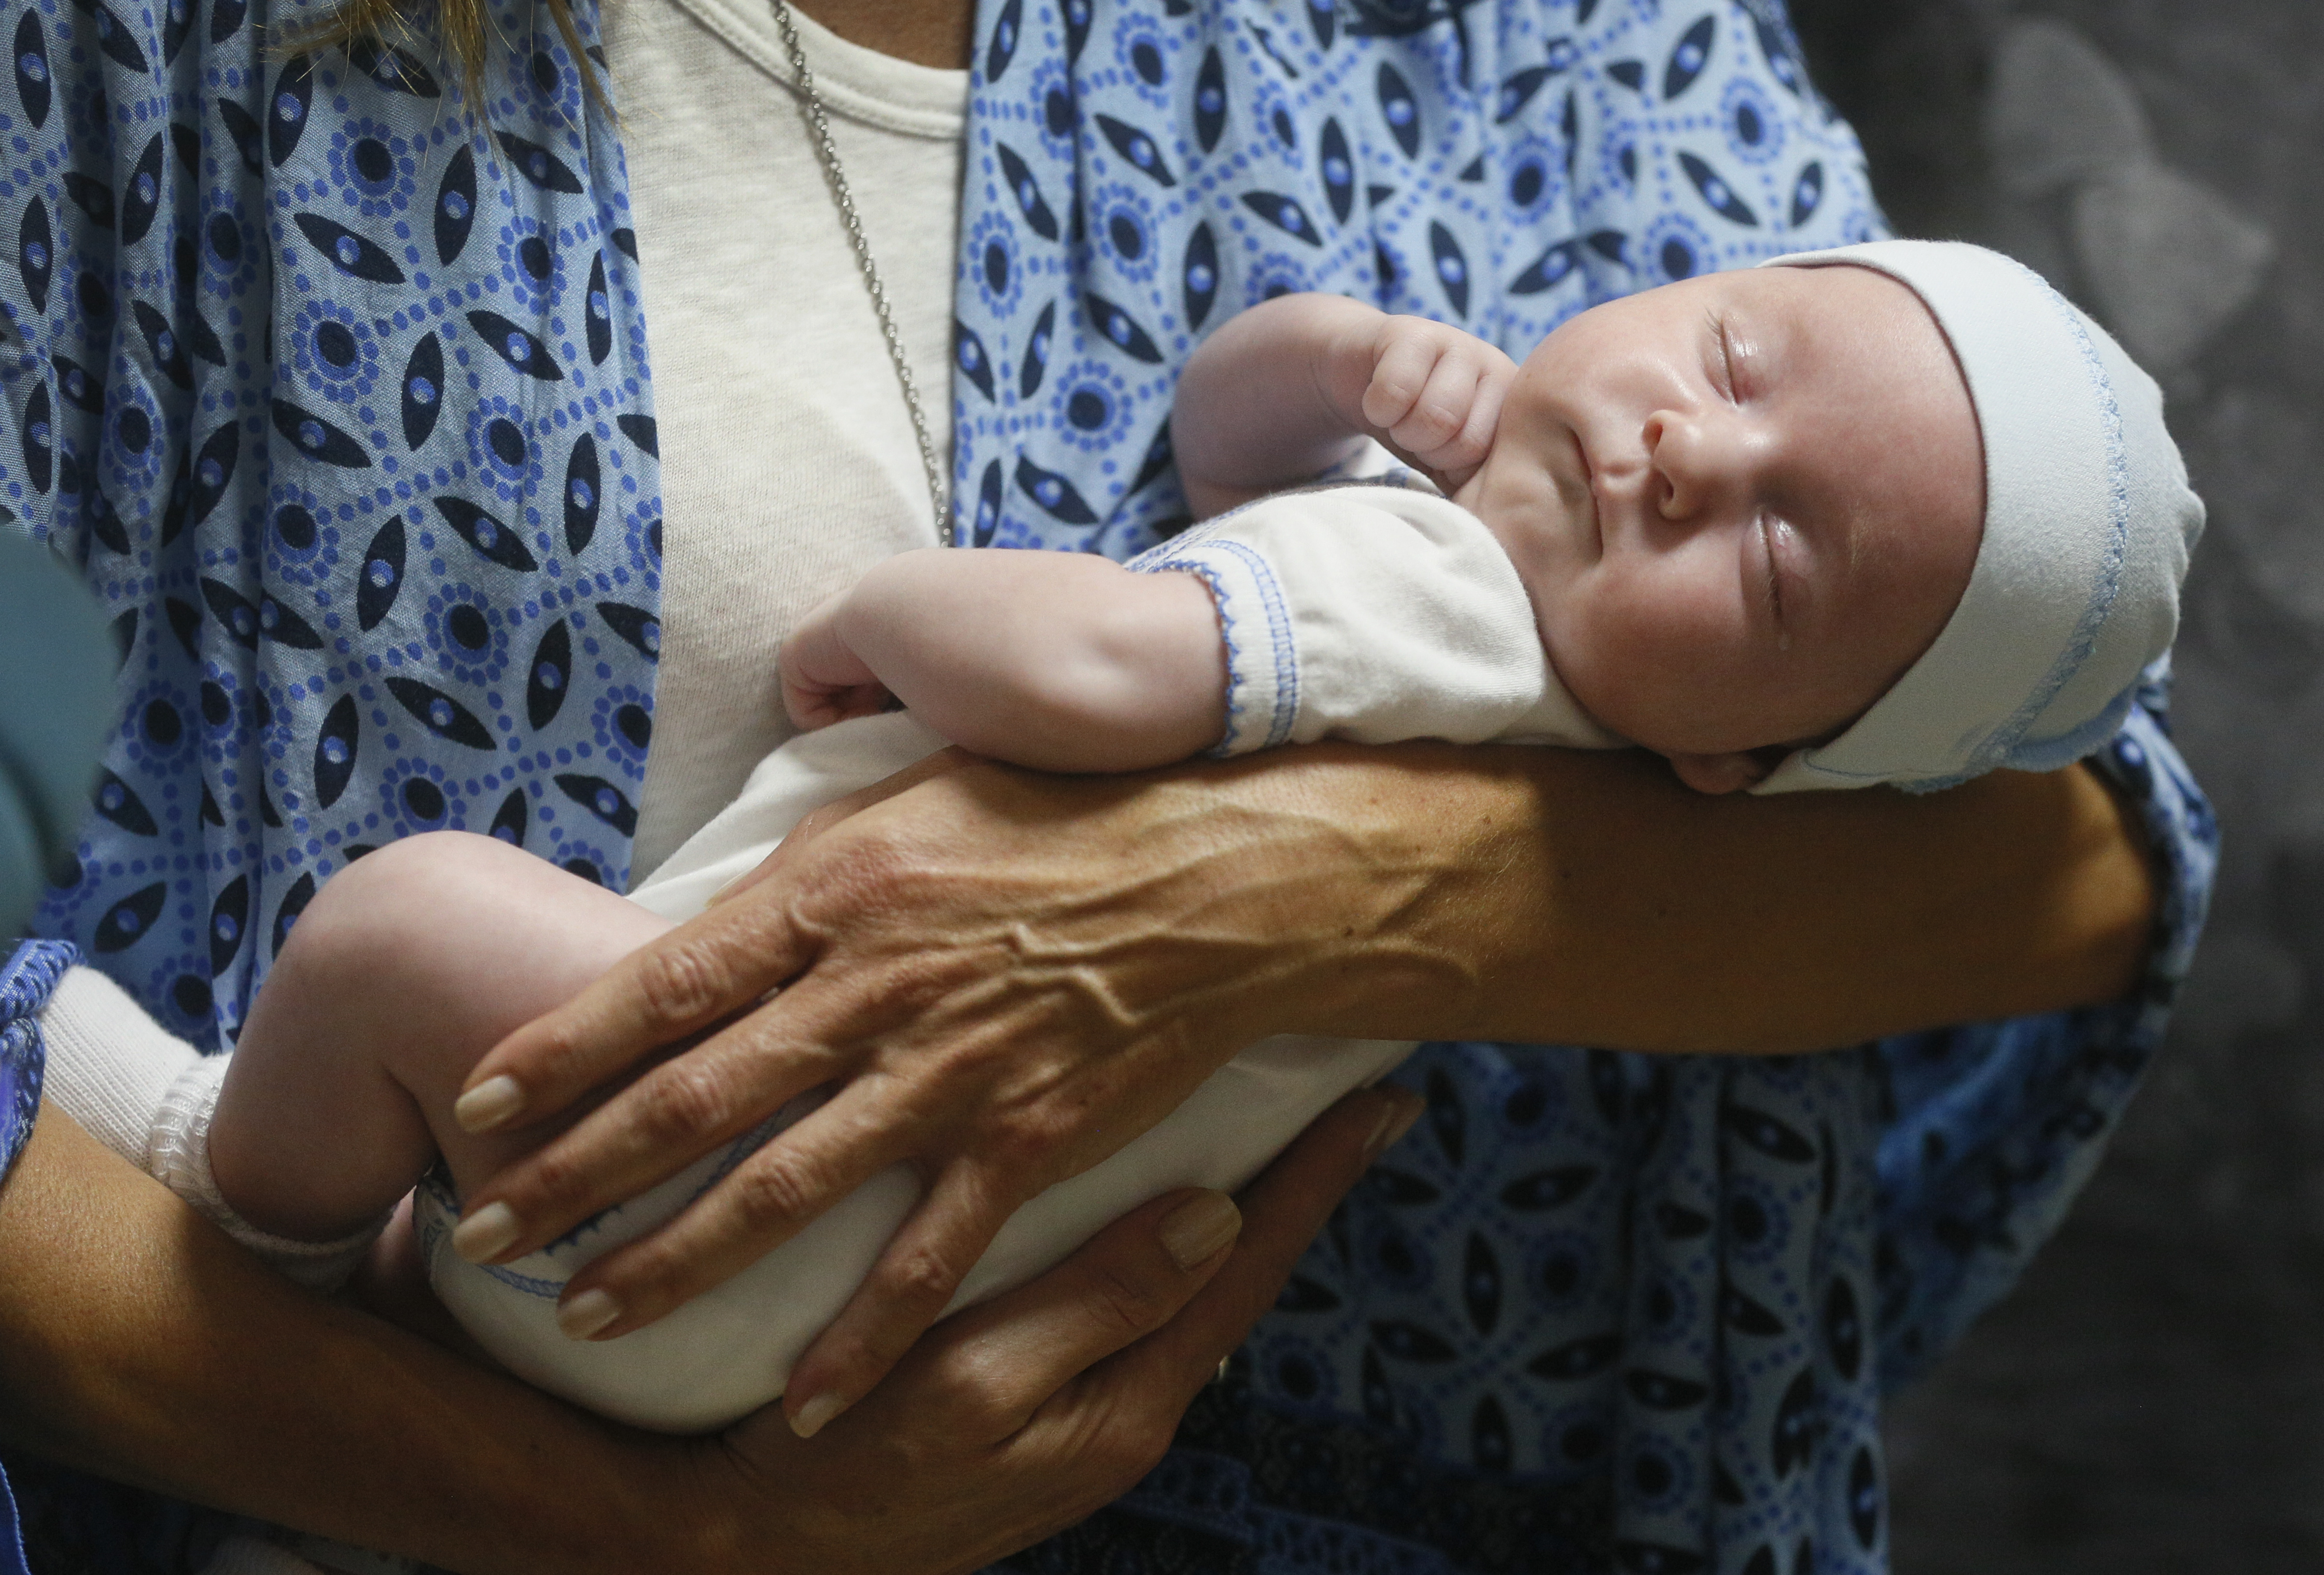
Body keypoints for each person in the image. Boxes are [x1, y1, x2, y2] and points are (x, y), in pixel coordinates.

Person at [0, 0, 2214, 1572]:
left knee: (407, 937)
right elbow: (1249, 478)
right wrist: (646, 1538)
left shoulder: (1552, 97)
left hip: (908, 1320)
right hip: (573, 1353)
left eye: (1777, 541)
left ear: (1753, 744)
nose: (1682, 446)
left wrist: (1291, 890)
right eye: (1724, 355)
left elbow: (2072, 850)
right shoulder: (173, 53)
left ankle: (258, 1200)